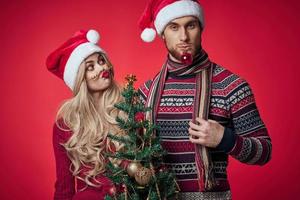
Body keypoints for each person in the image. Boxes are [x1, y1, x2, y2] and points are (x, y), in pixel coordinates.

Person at [137, 0, 272, 199]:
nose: (183, 36)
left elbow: (264, 152)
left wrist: (225, 139)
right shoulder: (145, 93)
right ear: (162, 33)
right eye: (174, 27)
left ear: (200, 28)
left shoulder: (231, 86)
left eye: (190, 25)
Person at [46, 29, 125, 200]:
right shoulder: (65, 125)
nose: (102, 67)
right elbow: (64, 187)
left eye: (101, 60)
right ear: (80, 79)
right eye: (91, 67)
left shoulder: (129, 110)